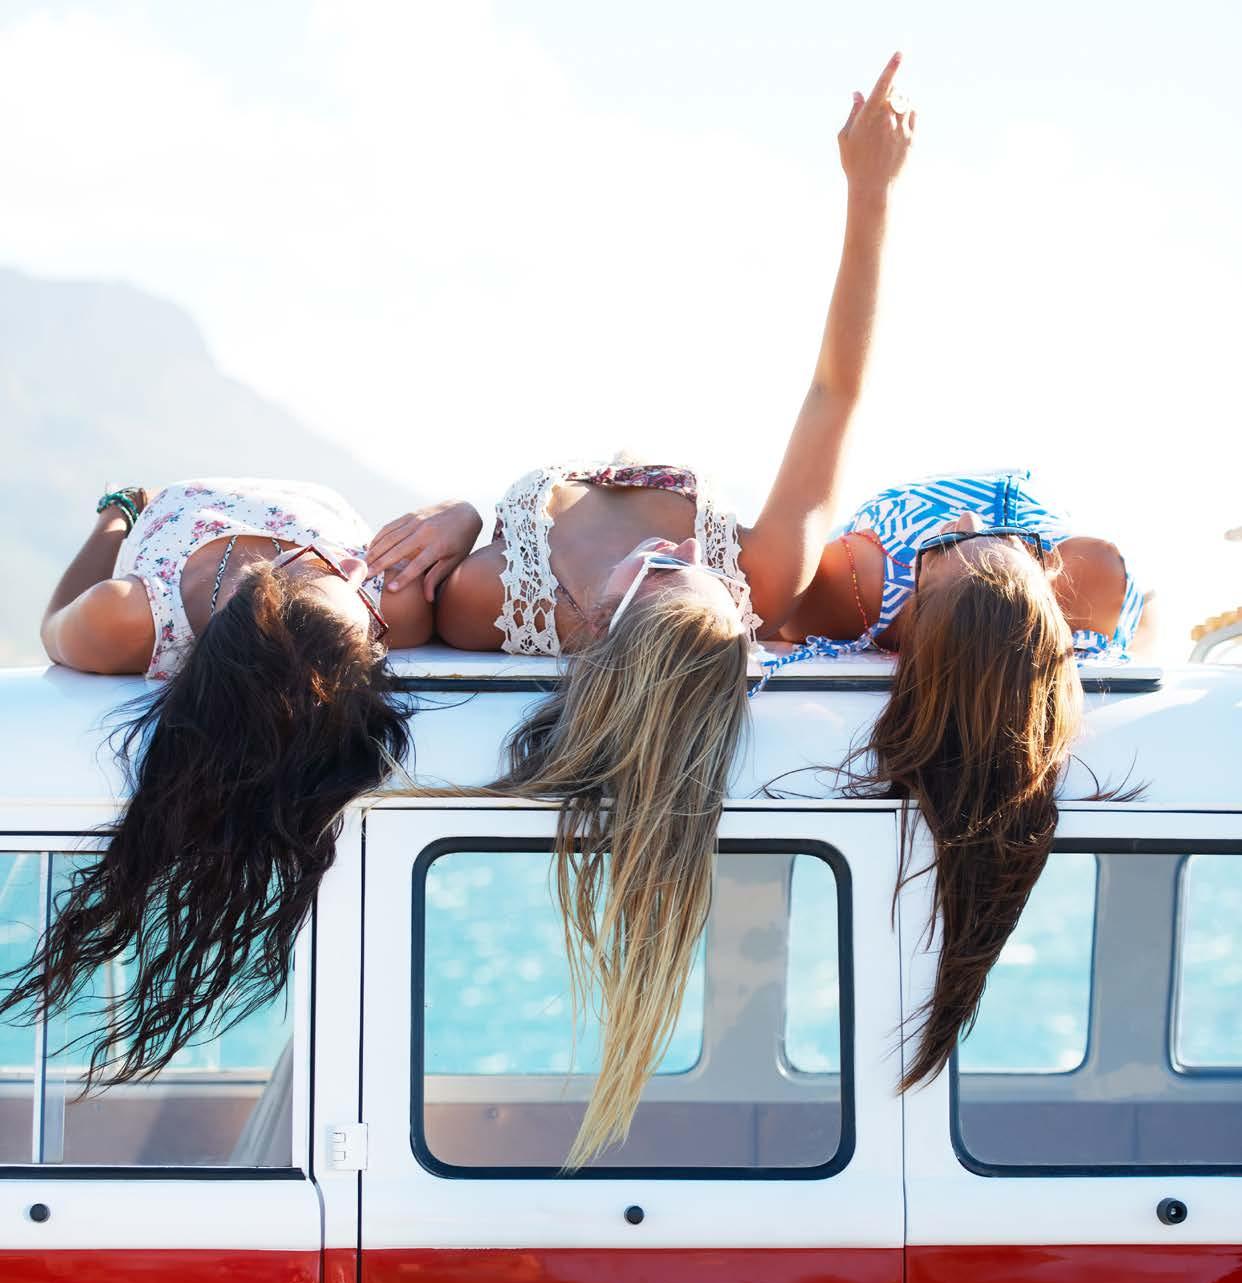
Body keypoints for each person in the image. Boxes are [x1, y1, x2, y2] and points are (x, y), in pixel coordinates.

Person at [412, 53, 915, 1167]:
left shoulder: (501, 602)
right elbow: (837, 389)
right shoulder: (759, 571)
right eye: (722, 599)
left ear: (601, 625)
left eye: (670, 574)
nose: (692, 557)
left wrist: (454, 520)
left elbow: (393, 591)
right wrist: (871, 193)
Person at [5, 477, 482, 1082]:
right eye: (353, 593)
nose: (355, 569)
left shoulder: (126, 618)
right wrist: (461, 514)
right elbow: (468, 548)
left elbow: (55, 623)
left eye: (336, 578)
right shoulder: (390, 606)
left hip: (178, 504)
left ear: (256, 583)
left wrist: (118, 515)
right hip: (315, 494)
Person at [765, 469, 1150, 1092]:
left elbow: (767, 600)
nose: (968, 522)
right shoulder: (1093, 576)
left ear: (914, 617)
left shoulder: (856, 584)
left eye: (942, 547)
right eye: (1010, 541)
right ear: (1046, 575)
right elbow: (1144, 617)